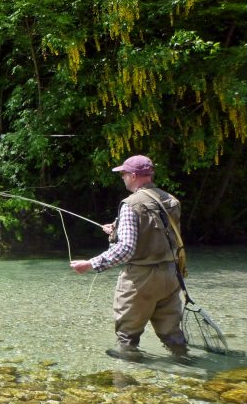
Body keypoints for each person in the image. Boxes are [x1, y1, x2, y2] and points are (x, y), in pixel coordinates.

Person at [70, 155, 189, 362]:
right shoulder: (171, 200)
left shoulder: (130, 204)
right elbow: (161, 232)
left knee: (127, 336)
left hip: (141, 279)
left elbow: (126, 249)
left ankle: (126, 381)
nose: (122, 177)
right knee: (172, 334)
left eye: (124, 174)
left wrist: (90, 264)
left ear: (133, 175)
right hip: (171, 275)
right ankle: (186, 368)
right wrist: (116, 229)